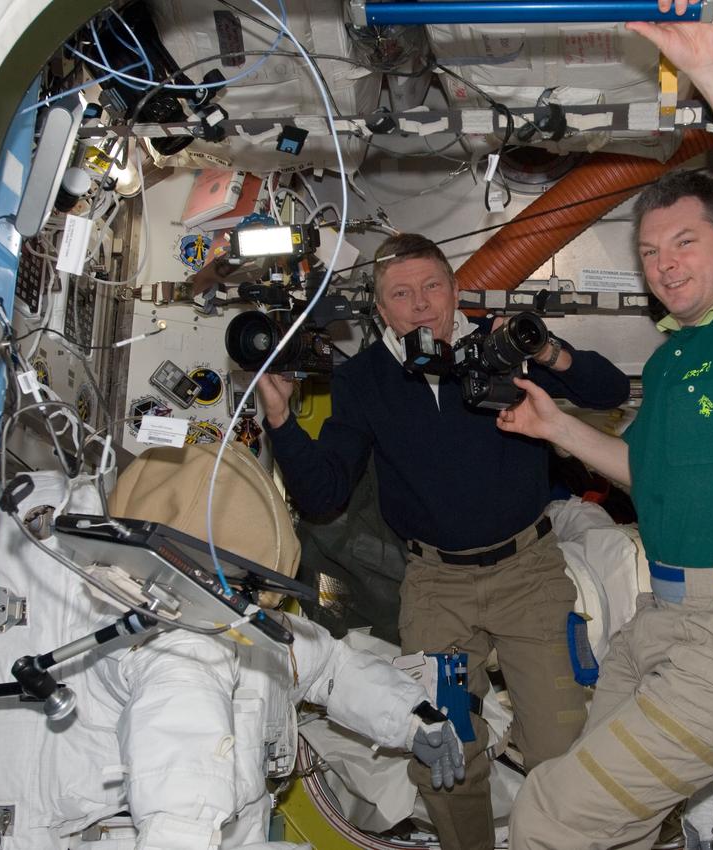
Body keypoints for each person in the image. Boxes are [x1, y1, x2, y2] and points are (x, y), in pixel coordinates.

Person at [495, 3, 713, 848]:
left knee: (549, 816)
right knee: (617, 824)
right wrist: (556, 428)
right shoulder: (676, 359)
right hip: (661, 621)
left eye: (683, 243)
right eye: (649, 253)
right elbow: (646, 476)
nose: (664, 264)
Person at [257, 233, 630, 850]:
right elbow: (323, 496)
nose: (421, 303)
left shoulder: (502, 348)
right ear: (382, 310)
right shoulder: (364, 381)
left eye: (432, 286)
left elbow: (609, 392)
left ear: (456, 290)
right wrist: (280, 420)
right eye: (401, 294)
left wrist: (551, 350)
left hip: (527, 570)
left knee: (559, 748)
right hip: (435, 585)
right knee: (442, 749)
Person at [0, 444, 465, 850]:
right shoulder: (183, 650)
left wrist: (412, 717)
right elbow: (184, 782)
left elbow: (327, 666)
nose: (251, 602)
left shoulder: (229, 624)